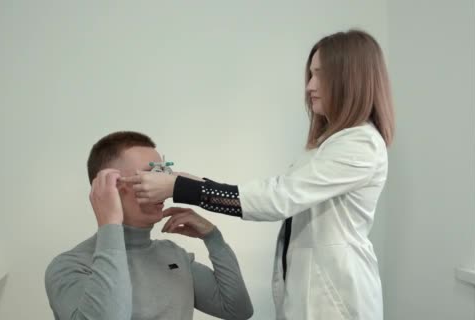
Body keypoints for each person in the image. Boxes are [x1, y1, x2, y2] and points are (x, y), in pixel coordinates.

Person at [121, 29, 394, 320]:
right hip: (310, 292)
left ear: (349, 79)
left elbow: (277, 198)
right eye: (310, 75)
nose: (309, 86)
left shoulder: (359, 145)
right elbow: (277, 193)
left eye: (320, 74)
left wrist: (180, 188)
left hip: (337, 300)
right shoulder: (328, 146)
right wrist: (187, 183)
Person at [44, 131, 254, 320]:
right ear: (112, 186)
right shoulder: (70, 266)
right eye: (151, 174)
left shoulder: (173, 255)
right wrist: (109, 224)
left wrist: (213, 238)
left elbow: (237, 310)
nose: (164, 185)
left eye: (164, 173)